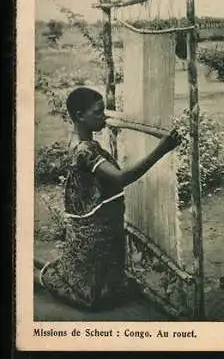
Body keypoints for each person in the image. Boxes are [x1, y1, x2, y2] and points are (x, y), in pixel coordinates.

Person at [40, 87, 181, 311]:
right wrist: (161, 150)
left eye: (104, 111)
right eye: (98, 112)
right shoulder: (84, 152)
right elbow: (121, 179)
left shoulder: (85, 145)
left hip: (103, 225)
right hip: (97, 232)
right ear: (79, 116)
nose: (104, 116)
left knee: (109, 285)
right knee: (92, 296)